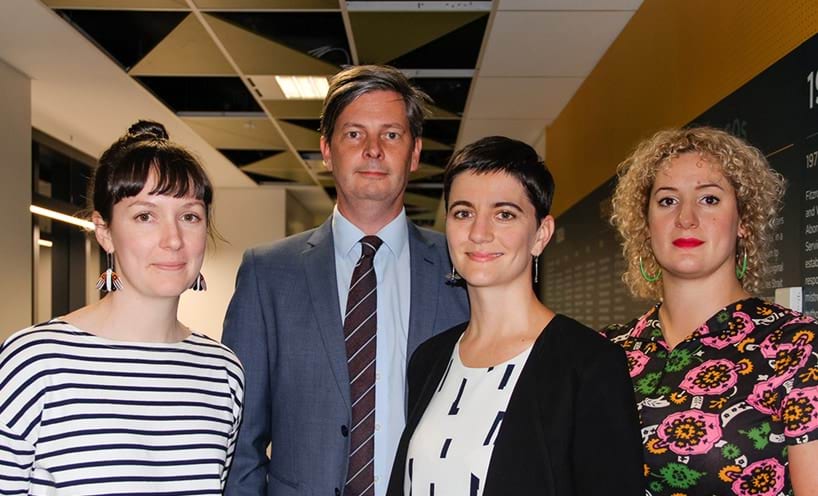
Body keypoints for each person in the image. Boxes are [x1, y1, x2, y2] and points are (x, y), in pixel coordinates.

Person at [221, 65, 469, 496]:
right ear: (326, 151)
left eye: (391, 135)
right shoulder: (267, 275)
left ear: (414, 153)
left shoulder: (461, 269)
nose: (373, 150)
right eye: (354, 134)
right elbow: (241, 442)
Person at [387, 136, 645, 495]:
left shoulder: (588, 365)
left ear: (541, 235)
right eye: (463, 212)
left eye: (504, 214)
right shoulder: (429, 360)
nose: (479, 232)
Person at [0, 120, 244, 495]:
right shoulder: (35, 362)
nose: (173, 239)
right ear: (104, 231)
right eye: (145, 216)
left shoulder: (223, 372)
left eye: (189, 216)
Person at [604, 126, 818, 496]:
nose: (686, 218)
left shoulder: (796, 347)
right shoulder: (608, 351)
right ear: (646, 225)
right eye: (668, 201)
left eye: (709, 200)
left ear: (744, 223)